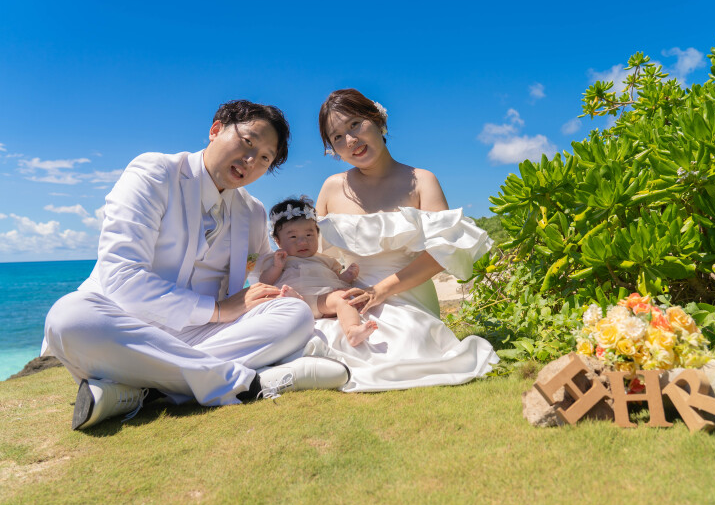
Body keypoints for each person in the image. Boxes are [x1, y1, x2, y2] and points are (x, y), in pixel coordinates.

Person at [42, 100, 349, 430]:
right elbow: (120, 276)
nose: (251, 161)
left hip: (202, 338)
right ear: (216, 130)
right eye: (247, 142)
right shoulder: (154, 172)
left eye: (264, 158)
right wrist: (217, 311)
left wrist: (293, 292)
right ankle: (251, 384)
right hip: (127, 328)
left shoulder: (253, 211)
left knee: (294, 313)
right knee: (67, 317)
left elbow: (263, 274)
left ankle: (143, 391)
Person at [308, 88, 499, 392]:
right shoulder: (331, 188)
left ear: (377, 119)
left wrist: (380, 291)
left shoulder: (423, 180)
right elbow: (311, 255)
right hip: (350, 300)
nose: (350, 140)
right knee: (314, 336)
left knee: (402, 343)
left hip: (407, 293)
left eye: (355, 124)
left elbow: (441, 253)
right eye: (337, 137)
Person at [257, 196, 379, 346]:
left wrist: (347, 276)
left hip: (322, 300)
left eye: (309, 235)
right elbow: (264, 282)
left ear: (317, 235)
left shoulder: (325, 260)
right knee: (279, 298)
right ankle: (297, 302)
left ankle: (352, 330)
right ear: (278, 241)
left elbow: (335, 279)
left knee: (343, 297)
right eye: (293, 237)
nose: (302, 242)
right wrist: (277, 267)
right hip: (293, 301)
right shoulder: (278, 260)